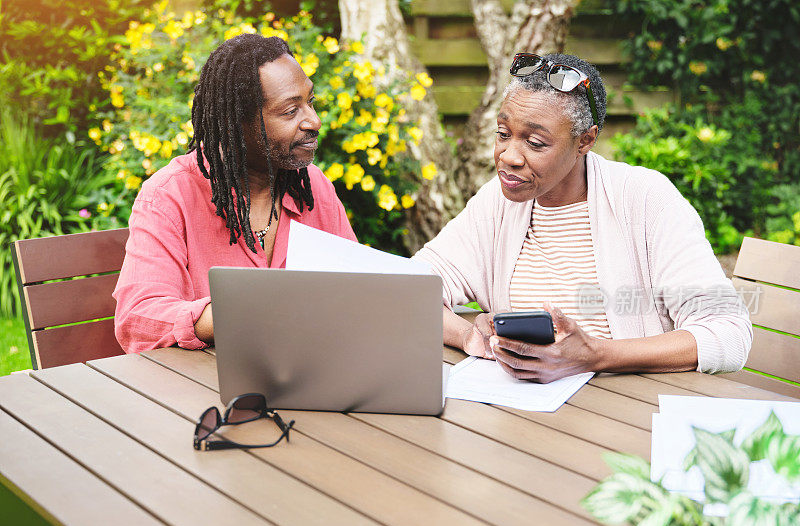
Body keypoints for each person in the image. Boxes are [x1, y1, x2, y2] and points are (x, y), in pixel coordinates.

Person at [413, 53, 751, 383]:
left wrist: (595, 355)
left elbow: (728, 333)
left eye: (535, 142)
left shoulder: (646, 199)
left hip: (625, 415)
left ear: (585, 141)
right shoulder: (498, 203)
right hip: (519, 413)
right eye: (503, 134)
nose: (509, 156)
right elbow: (409, 287)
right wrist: (468, 334)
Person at [113, 35, 357, 353]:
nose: (314, 121)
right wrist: (245, 311)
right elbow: (138, 318)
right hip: (199, 387)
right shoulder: (168, 197)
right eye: (289, 112)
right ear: (235, 123)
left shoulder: (312, 186)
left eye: (310, 102)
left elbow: (358, 286)